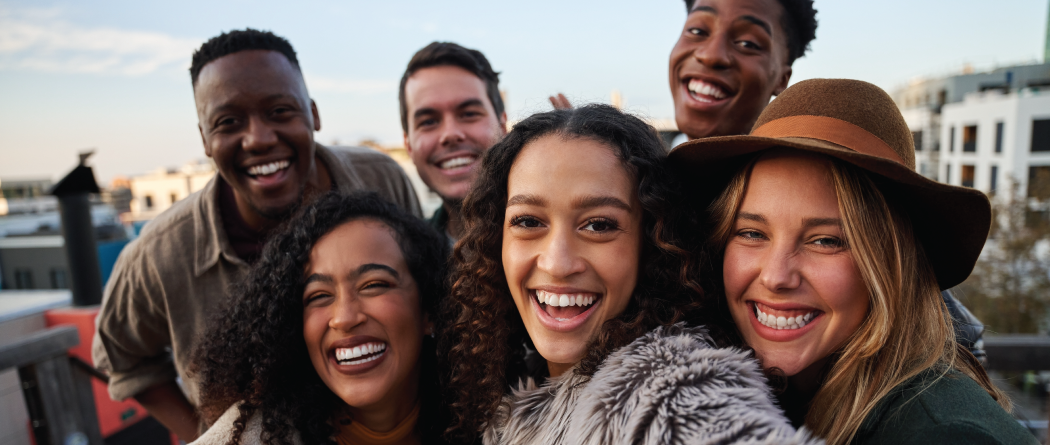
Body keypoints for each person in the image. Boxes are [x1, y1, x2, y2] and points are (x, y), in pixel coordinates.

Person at [92, 29, 422, 441]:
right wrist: (212, 433)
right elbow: (122, 359)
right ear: (204, 139)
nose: (259, 138)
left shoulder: (381, 180)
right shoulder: (157, 256)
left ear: (314, 114)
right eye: (228, 122)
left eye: (280, 111)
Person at [669, 78, 1035, 444]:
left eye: (826, 241)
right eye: (751, 233)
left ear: (891, 265)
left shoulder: (945, 434)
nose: (776, 276)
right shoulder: (753, 399)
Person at [440, 104, 819, 444]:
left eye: (599, 225)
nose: (557, 262)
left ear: (652, 243)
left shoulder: (676, 394)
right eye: (528, 221)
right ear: (495, 241)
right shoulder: (508, 379)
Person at [668, 0, 986, 360]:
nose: (711, 54)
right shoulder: (640, 201)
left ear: (781, 77)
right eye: (751, 233)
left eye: (826, 240)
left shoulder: (922, 346)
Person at [190, 192, 448, 445]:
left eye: (373, 285)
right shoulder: (242, 440)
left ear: (429, 309)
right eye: (318, 296)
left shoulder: (484, 425)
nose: (344, 318)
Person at [400, 41, 507, 240]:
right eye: (429, 121)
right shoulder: (403, 259)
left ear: (503, 125)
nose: (450, 134)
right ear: (409, 146)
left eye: (468, 114)